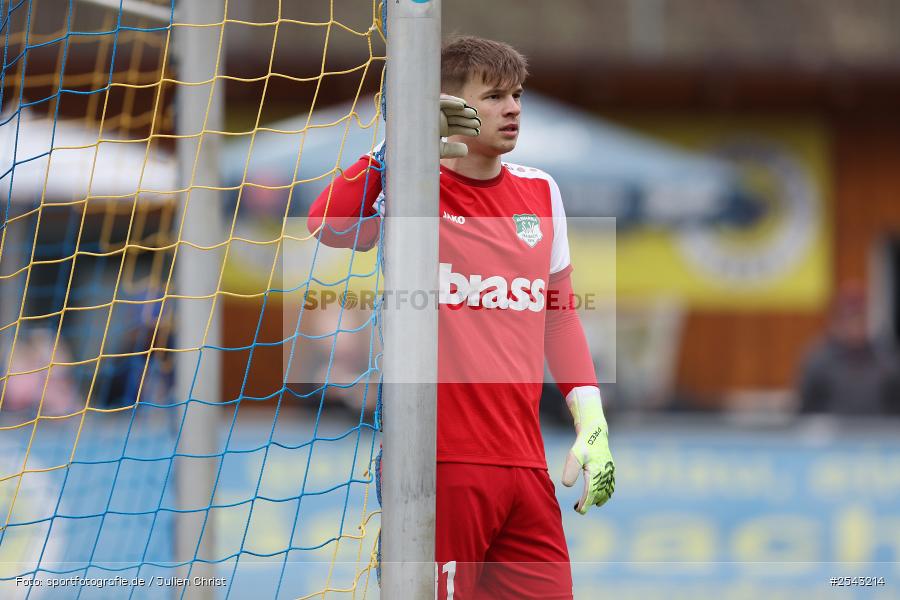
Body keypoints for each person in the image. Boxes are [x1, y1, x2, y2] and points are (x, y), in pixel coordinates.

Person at [308, 36, 615, 599]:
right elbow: (326, 224)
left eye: (516, 94)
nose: (513, 108)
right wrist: (399, 146)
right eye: (494, 96)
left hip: (525, 466)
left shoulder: (541, 190)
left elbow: (559, 317)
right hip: (439, 466)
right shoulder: (409, 189)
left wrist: (591, 421)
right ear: (449, 107)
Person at [799, 283, 900, 415]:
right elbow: (806, 409)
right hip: (833, 427)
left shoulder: (885, 357)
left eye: (860, 317)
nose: (855, 325)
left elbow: (895, 404)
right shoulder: (819, 360)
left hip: (877, 427)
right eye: (850, 317)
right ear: (837, 320)